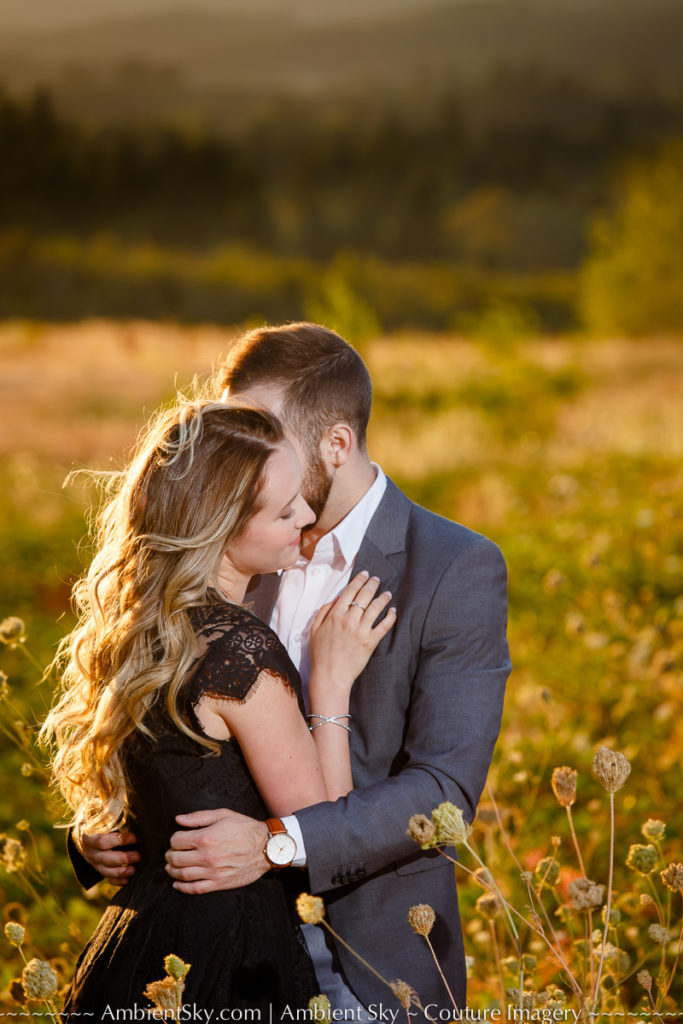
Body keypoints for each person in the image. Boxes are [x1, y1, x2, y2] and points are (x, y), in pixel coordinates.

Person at [76, 323, 511, 1013]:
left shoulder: (453, 566)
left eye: (262, 427)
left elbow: (445, 790)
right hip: (213, 945)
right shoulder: (237, 547)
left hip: (369, 958)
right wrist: (110, 832)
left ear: (336, 444)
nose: (242, 446)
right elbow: (177, 735)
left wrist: (277, 846)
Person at [42, 399, 395, 1019]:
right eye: (285, 511)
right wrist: (332, 685)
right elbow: (324, 826)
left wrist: (98, 833)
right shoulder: (239, 651)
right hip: (226, 959)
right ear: (222, 524)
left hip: (135, 948)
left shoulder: (139, 633)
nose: (308, 518)